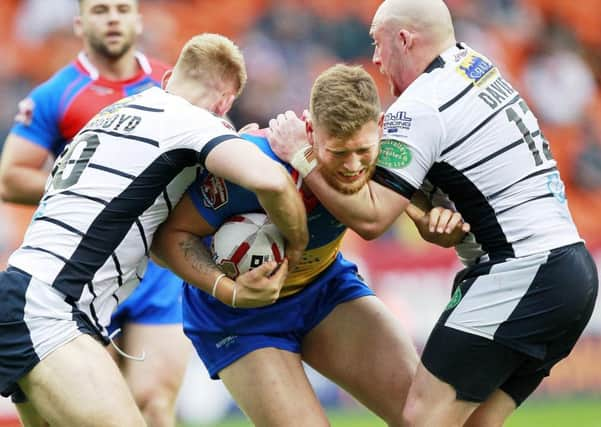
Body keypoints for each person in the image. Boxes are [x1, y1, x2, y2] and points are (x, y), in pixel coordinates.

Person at [267, 1, 599, 426]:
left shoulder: (421, 105)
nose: (375, 58)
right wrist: (430, 213)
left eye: (378, 43)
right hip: (570, 273)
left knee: (421, 418)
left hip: (520, 271)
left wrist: (301, 155)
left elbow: (371, 218)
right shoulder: (476, 68)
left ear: (403, 39)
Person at [0, 32, 308, 427]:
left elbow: (156, 225)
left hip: (27, 292)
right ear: (225, 103)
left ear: (167, 80)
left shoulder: (117, 111)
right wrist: (295, 248)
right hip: (50, 309)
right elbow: (272, 181)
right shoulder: (190, 121)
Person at [152, 64, 468, 427]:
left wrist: (436, 218)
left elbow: (416, 209)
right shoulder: (254, 165)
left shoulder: (389, 154)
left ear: (380, 128)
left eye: (362, 150)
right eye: (337, 152)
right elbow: (169, 239)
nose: (352, 165)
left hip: (325, 290)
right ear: (309, 132)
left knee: (430, 419)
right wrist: (230, 290)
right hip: (237, 318)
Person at [0, 1, 185, 425]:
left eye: (123, 9)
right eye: (101, 10)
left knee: (153, 402)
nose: (114, 19)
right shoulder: (56, 93)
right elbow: (11, 177)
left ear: (139, 19)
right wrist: (97, 193)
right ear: (80, 24)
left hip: (154, 270)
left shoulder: (171, 85)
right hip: (79, 273)